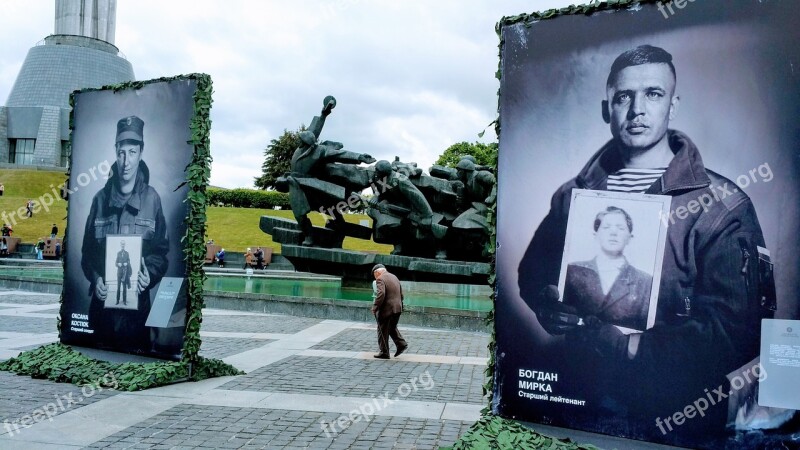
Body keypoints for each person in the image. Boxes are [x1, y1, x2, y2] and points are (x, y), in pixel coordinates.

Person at [515, 45, 775, 437]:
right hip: (580, 404)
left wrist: (629, 348)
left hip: (678, 422)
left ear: (672, 105)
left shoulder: (721, 205)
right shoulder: (572, 194)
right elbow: (532, 272)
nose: (637, 109)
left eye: (653, 94)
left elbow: (738, 331)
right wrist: (547, 304)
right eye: (624, 96)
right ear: (608, 110)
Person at [81, 115, 169, 354]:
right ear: (115, 150)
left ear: (141, 152)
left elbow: (161, 253)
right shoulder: (99, 199)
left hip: (138, 318)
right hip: (102, 317)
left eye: (132, 152)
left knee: (136, 372)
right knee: (96, 370)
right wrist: (96, 278)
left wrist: (148, 276)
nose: (126, 161)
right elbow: (86, 254)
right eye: (122, 152)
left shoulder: (153, 199)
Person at [562, 206, 652, 331]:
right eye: (606, 227)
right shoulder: (571, 272)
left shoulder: (646, 282)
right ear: (595, 235)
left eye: (620, 228)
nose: (613, 232)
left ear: (630, 238)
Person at [371, 264, 408, 359]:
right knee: (392, 327)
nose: (375, 278)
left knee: (382, 329)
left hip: (387, 309)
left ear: (377, 272)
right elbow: (401, 294)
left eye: (374, 275)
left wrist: (375, 307)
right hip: (398, 308)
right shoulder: (394, 277)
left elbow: (381, 294)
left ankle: (384, 352)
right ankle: (401, 344)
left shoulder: (380, 279)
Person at [115, 240, 131, 306]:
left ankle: (124, 301)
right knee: (118, 287)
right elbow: (115, 263)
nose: (123, 245)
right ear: (120, 245)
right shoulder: (118, 253)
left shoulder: (127, 253)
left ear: (125, 245)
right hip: (119, 273)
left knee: (124, 288)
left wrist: (126, 263)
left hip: (125, 274)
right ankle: (117, 300)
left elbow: (129, 261)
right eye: (122, 244)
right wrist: (118, 264)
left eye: (123, 244)